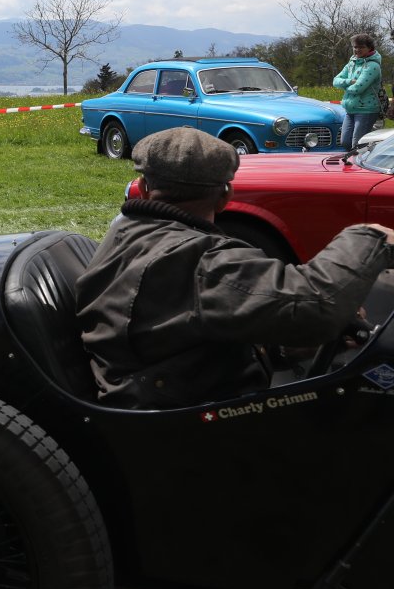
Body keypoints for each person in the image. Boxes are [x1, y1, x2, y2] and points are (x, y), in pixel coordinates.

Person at [76, 127, 394, 408]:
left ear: (144, 187)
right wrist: (371, 237)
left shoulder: (124, 234)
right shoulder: (199, 261)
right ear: (225, 196)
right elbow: (315, 304)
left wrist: (285, 350)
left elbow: (180, 332)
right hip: (179, 421)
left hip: (150, 387)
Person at [333, 32, 383, 151]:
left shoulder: (372, 66)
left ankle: (365, 160)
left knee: (358, 144)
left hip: (366, 110)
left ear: (369, 48)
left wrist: (344, 86)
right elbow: (335, 81)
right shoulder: (352, 63)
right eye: (355, 47)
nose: (357, 50)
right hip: (350, 109)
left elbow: (358, 88)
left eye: (361, 47)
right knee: (345, 142)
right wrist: (349, 81)